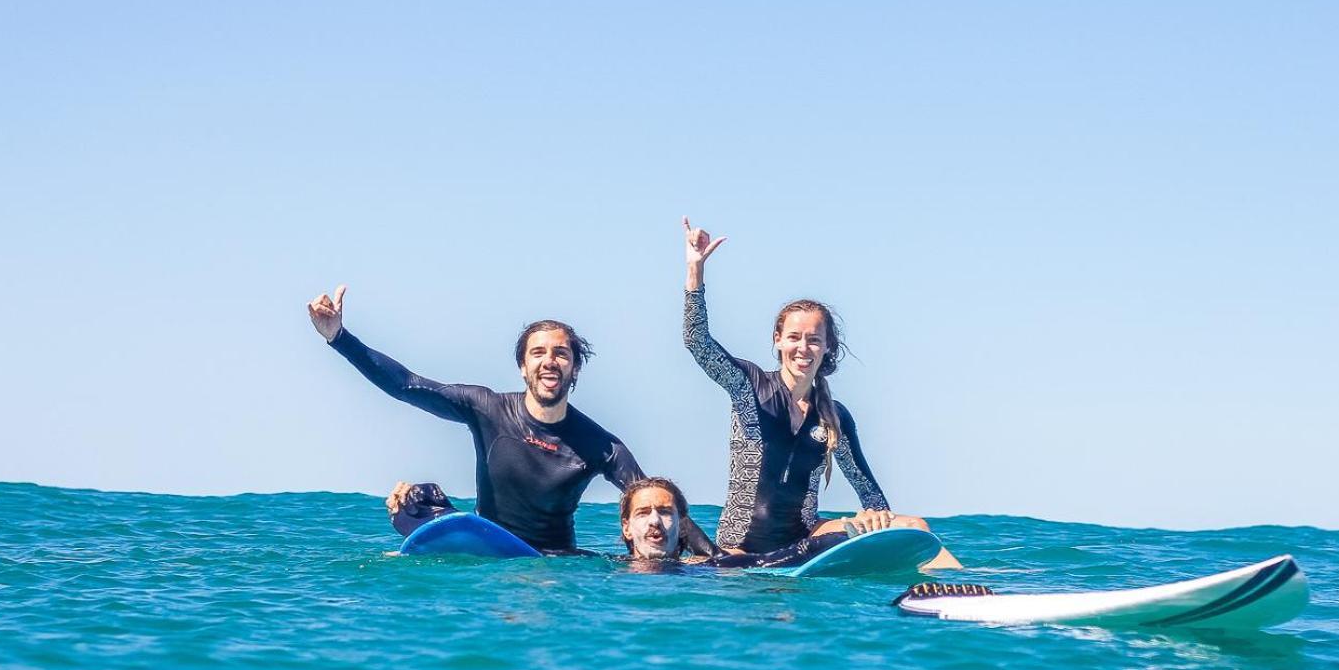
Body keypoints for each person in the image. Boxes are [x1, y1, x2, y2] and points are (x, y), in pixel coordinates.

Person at [309, 284, 712, 555]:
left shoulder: (600, 446)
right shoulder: (486, 408)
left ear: (574, 370)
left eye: (561, 354)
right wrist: (338, 338)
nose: (549, 362)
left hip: (552, 559)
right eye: (538, 353)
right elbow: (406, 385)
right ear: (523, 367)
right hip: (490, 543)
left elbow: (654, 502)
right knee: (415, 500)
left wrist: (712, 558)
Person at [680, 218, 960, 568]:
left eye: (814, 339)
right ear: (777, 340)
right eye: (794, 338)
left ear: (827, 346)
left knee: (914, 527)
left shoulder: (834, 417)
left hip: (807, 543)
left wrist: (877, 519)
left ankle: (970, 589)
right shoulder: (750, 387)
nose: (803, 348)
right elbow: (698, 343)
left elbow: (867, 489)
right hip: (743, 551)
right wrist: (695, 271)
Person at [618, 476, 855, 570]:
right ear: (626, 528)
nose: (655, 521)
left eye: (665, 512)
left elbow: (784, 556)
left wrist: (846, 537)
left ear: (682, 526)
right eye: (642, 513)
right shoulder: (604, 569)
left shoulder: (708, 568)